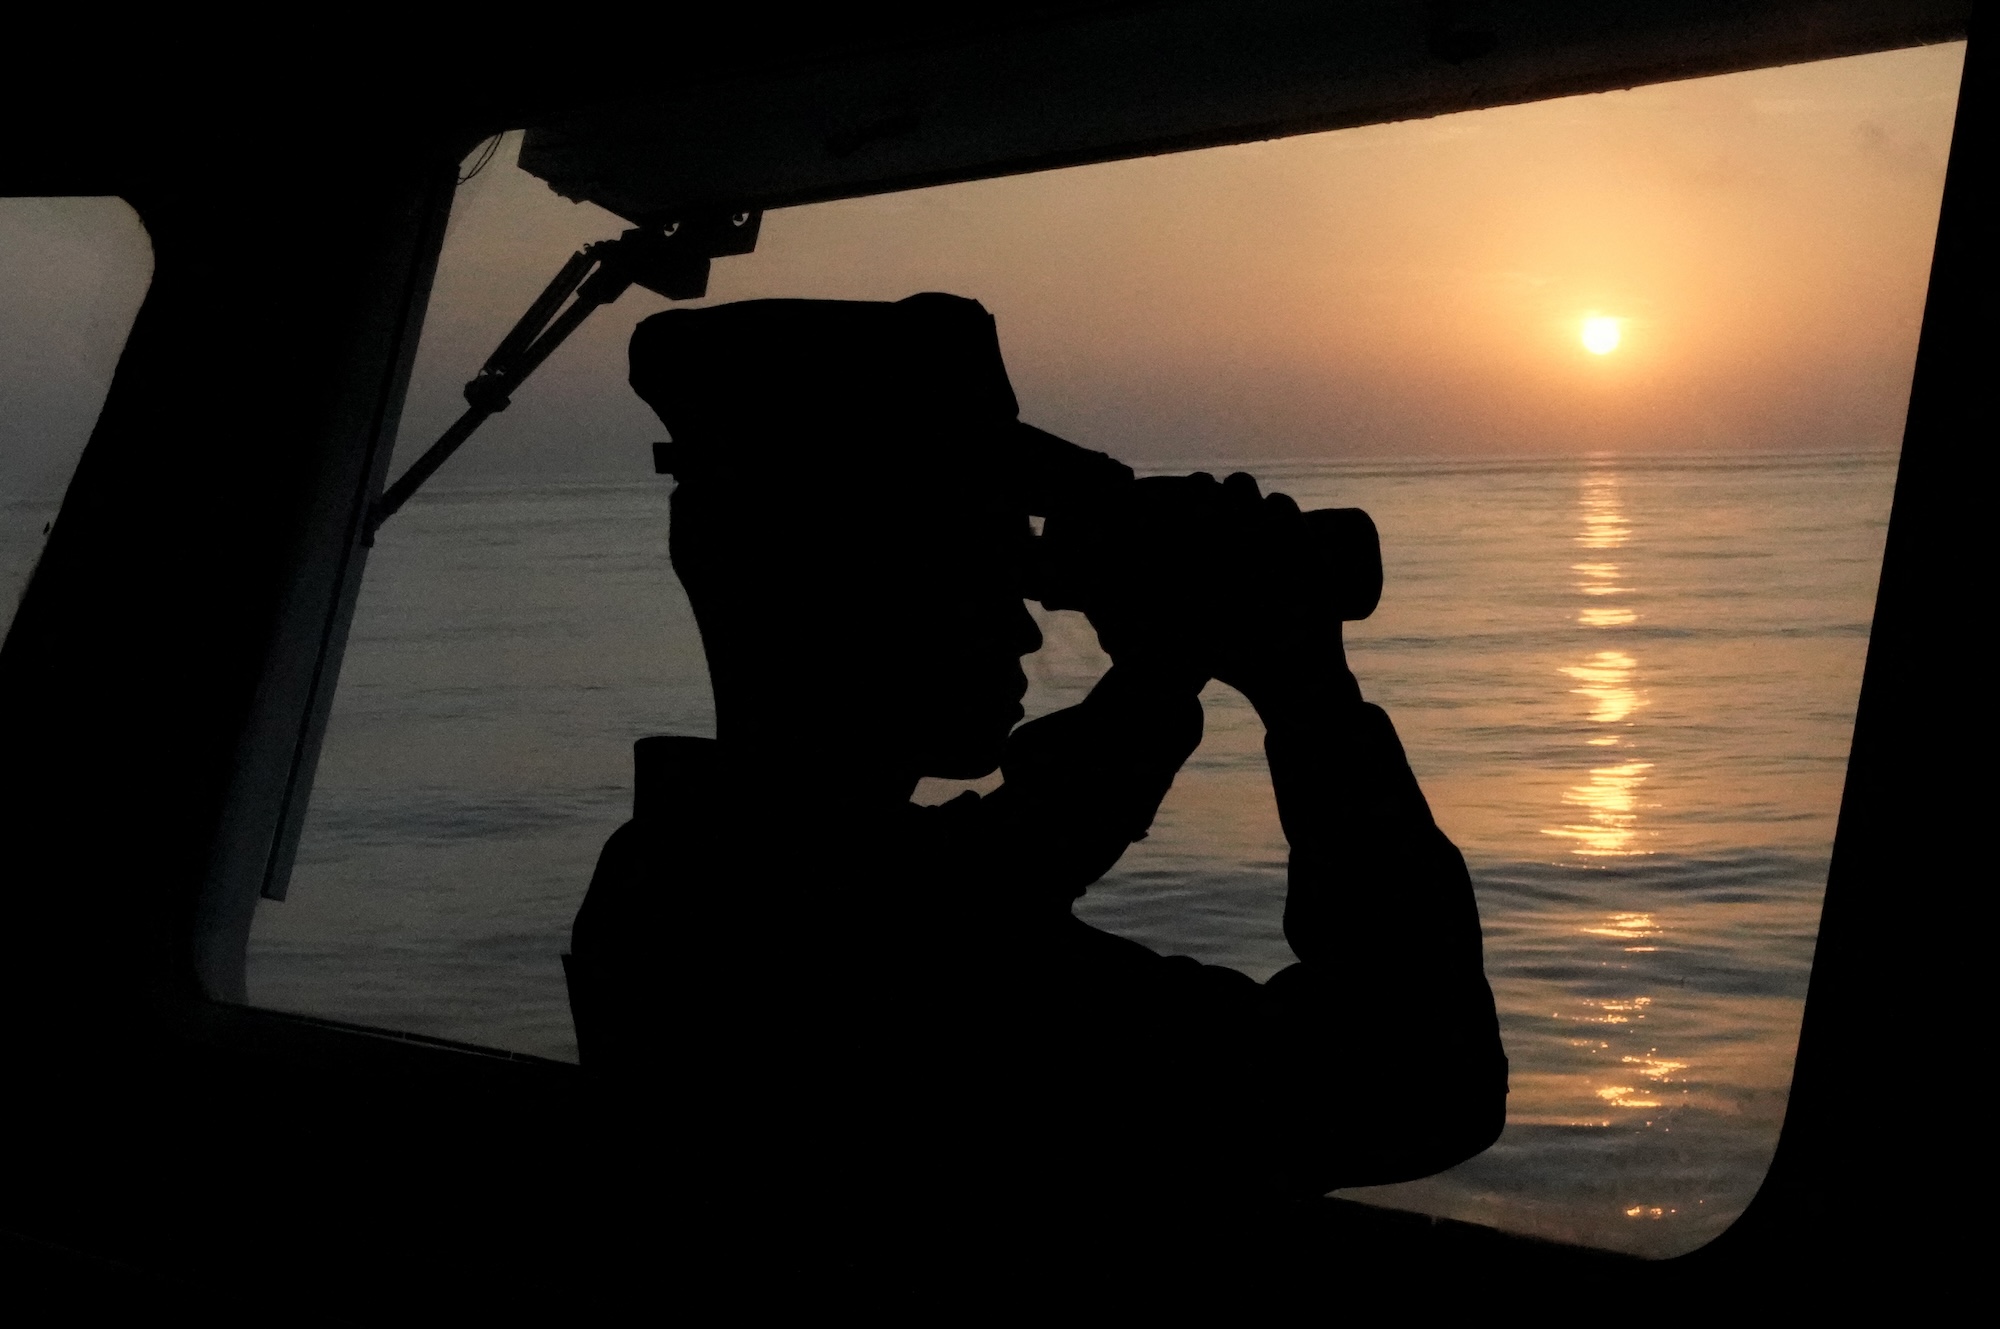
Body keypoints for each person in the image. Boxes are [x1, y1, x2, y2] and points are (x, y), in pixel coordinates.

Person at [565, 293, 1505, 1270]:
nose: (1024, 623)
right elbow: (1418, 1081)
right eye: (981, 560)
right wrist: (1302, 691)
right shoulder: (924, 977)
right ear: (852, 577)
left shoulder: (672, 880)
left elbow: (988, 864)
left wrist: (1162, 668)